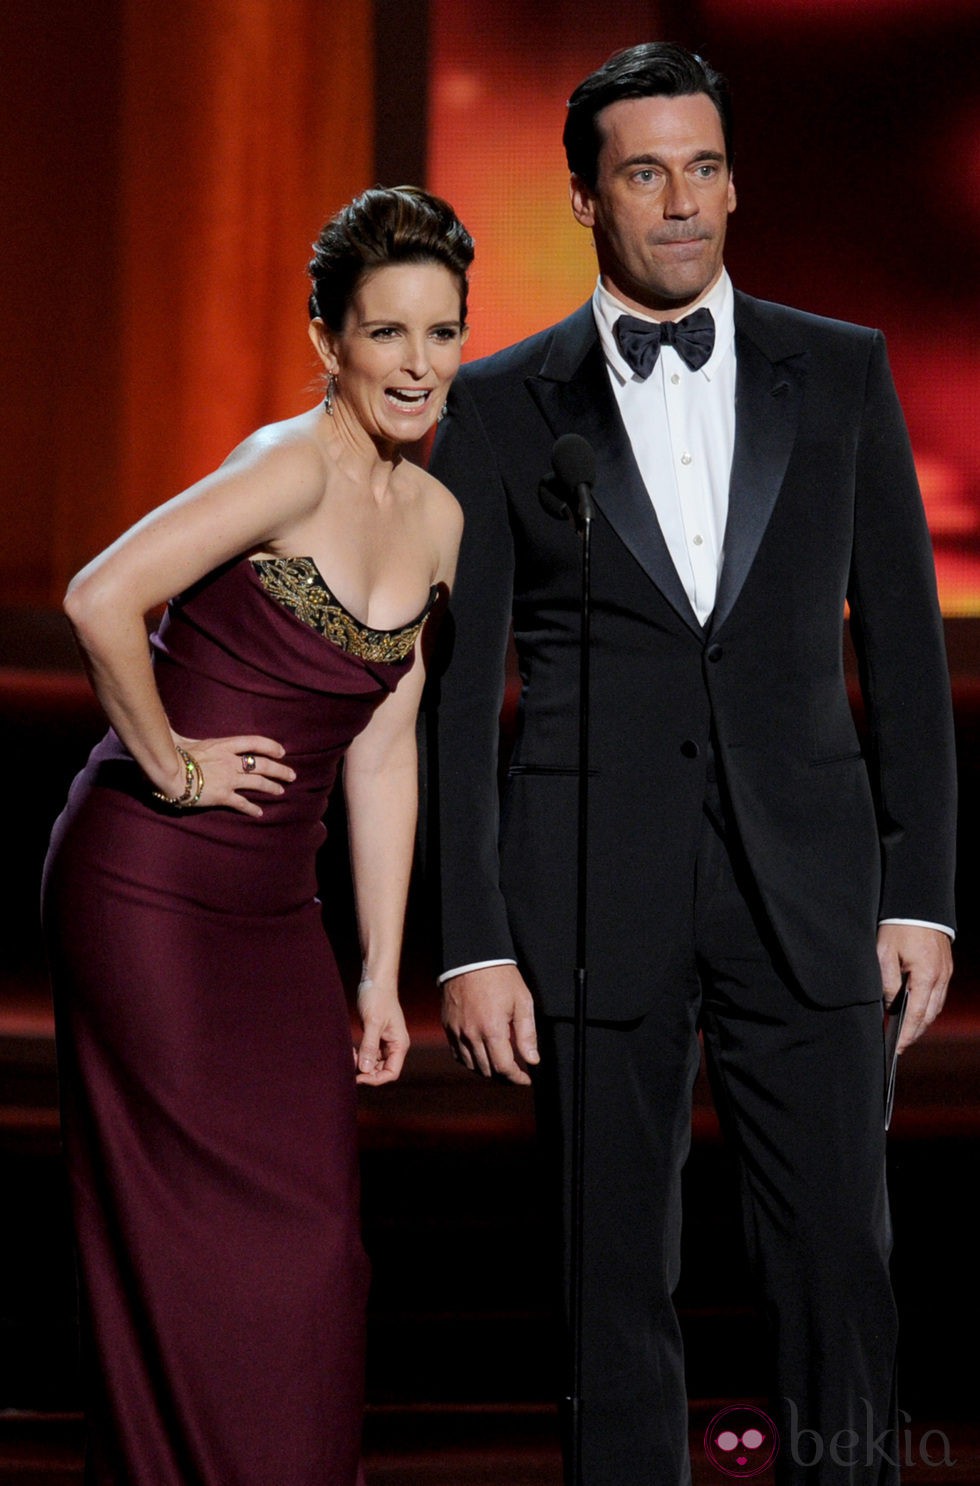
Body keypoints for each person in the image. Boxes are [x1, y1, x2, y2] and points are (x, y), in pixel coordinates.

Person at [426, 43, 956, 1486]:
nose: (684, 201)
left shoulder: (839, 369)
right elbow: (462, 699)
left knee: (840, 1261)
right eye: (646, 171)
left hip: (816, 882)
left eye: (705, 165)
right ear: (586, 197)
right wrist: (470, 937)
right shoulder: (499, 405)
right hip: (591, 890)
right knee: (607, 1283)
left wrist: (925, 892)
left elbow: (903, 649)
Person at [42, 185, 472, 1486]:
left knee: (316, 1247)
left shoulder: (441, 519)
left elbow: (387, 747)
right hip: (149, 893)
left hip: (279, 915)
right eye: (386, 333)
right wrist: (169, 764)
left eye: (442, 333)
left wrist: (380, 965)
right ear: (327, 340)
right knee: (198, 1255)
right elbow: (100, 594)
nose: (417, 364)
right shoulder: (282, 464)